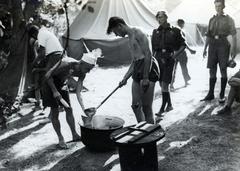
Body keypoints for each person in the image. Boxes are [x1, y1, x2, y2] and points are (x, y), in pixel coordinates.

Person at [28, 25, 82, 149]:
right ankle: (60, 138)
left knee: (69, 108)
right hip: (50, 80)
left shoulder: (43, 35)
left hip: (57, 74)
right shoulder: (45, 37)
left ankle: (74, 134)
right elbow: (45, 67)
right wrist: (54, 91)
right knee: (55, 110)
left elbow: (42, 55)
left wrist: (35, 62)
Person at [106, 16, 159, 124]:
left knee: (146, 108)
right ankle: (142, 128)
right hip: (138, 68)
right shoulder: (129, 38)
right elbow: (135, 61)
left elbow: (148, 54)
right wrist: (125, 78)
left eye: (115, 31)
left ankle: (150, 135)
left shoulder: (138, 32)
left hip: (148, 68)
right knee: (135, 106)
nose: (116, 35)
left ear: (119, 26)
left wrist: (145, 78)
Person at [201, 0, 237, 103]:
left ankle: (222, 94)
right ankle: (211, 93)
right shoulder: (211, 19)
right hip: (212, 45)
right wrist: (205, 48)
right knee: (212, 70)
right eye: (216, 6)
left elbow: (234, 35)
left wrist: (233, 49)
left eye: (219, 6)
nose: (218, 8)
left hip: (223, 45)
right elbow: (208, 35)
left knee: (223, 69)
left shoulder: (229, 19)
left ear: (223, 6)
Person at [152, 11, 186, 117]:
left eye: (161, 17)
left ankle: (162, 108)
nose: (159, 19)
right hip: (158, 59)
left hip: (169, 59)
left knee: (165, 84)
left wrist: (175, 56)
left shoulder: (175, 30)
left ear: (166, 17)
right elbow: (153, 49)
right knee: (162, 84)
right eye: (157, 18)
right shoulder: (155, 31)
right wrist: (153, 60)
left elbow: (183, 45)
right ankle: (170, 105)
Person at [170, 19, 196, 91]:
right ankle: (185, 81)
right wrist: (190, 50)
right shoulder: (181, 31)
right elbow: (184, 43)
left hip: (174, 51)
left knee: (173, 69)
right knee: (183, 67)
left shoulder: (172, 31)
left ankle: (171, 84)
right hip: (181, 52)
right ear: (182, 24)